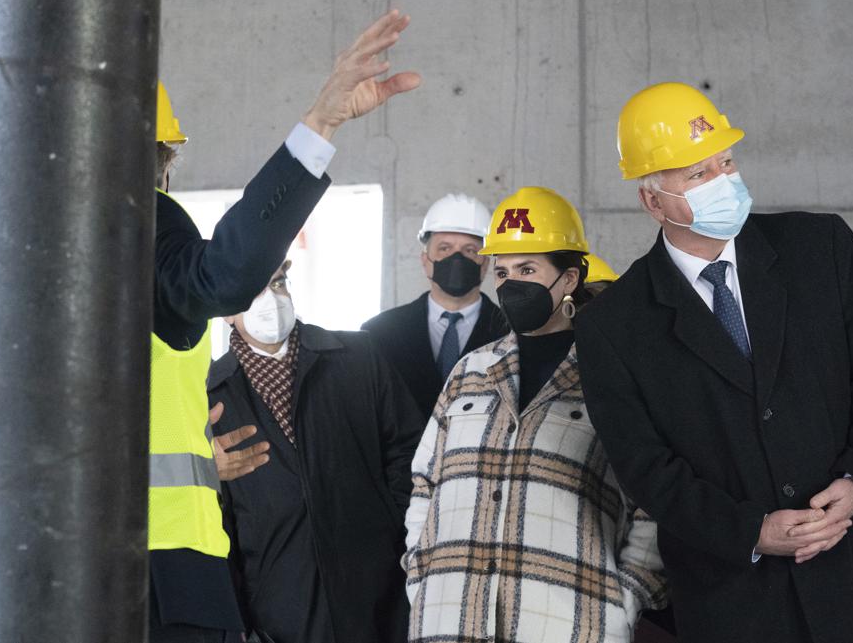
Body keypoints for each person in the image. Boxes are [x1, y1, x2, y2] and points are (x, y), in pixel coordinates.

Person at [574, 82, 853, 643]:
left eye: (726, 162)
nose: (724, 182)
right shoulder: (614, 326)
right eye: (698, 175)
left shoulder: (822, 249)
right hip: (740, 600)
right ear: (652, 201)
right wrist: (752, 531)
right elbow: (645, 467)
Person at [148, 11, 419, 642]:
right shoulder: (123, 230)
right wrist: (320, 122)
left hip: (104, 570)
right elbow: (218, 278)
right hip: (145, 571)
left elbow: (218, 278)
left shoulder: (116, 239)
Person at [403, 186, 666, 643]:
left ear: (568, 279)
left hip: (568, 621)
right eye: (502, 271)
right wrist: (420, 575)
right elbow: (425, 482)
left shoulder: (614, 374)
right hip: (450, 620)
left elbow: (653, 498)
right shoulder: (470, 371)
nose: (511, 284)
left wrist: (625, 598)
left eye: (528, 269)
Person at [206, 261, 422, 643]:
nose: (271, 300)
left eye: (278, 284)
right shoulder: (211, 396)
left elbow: (410, 455)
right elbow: (215, 528)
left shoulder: (356, 357)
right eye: (254, 291)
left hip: (378, 597)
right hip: (278, 613)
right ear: (226, 312)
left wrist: (399, 547)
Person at [362, 193, 508, 421]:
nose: (457, 258)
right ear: (424, 259)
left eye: (470, 250)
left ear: (486, 263)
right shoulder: (378, 333)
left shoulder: (511, 334)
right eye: (444, 248)